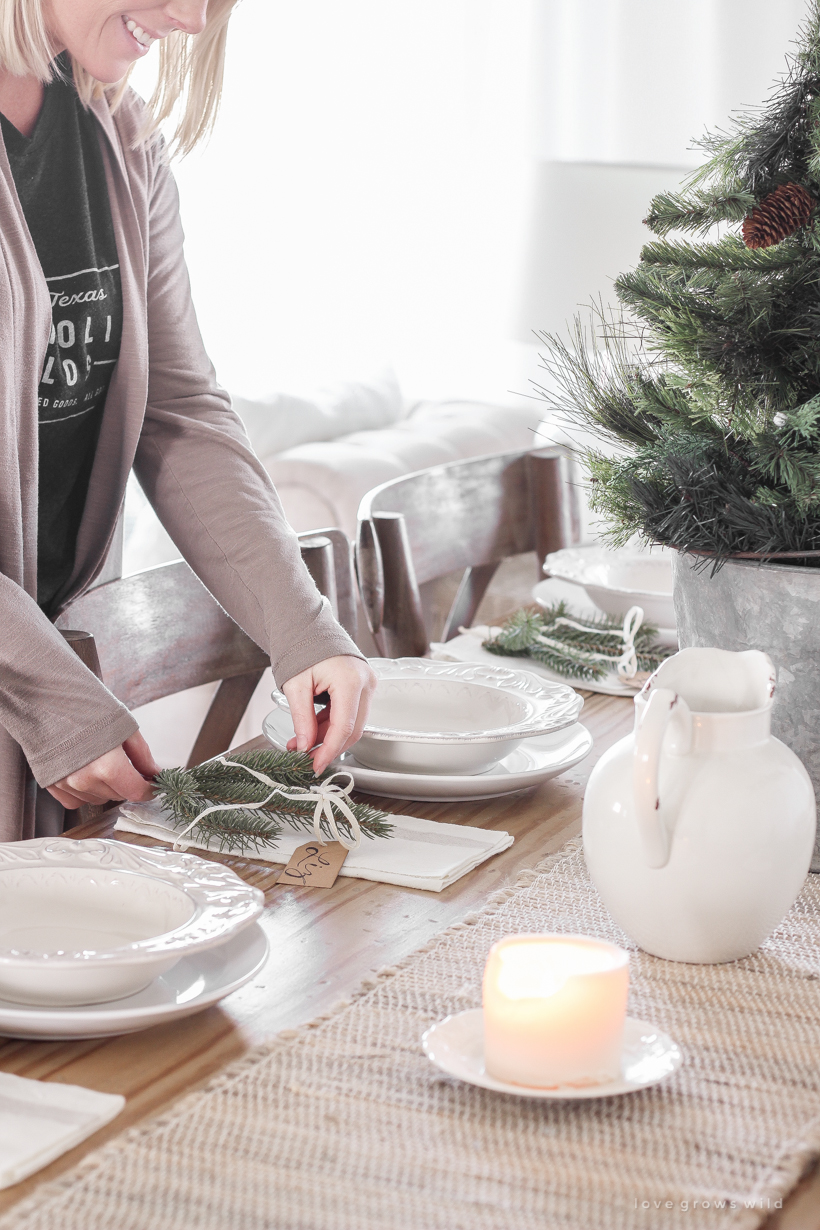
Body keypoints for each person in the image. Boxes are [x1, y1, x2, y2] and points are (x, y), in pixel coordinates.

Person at [0, 0, 376, 839]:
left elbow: (179, 410)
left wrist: (303, 630)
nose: (192, 19)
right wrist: (47, 692)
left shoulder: (116, 134)